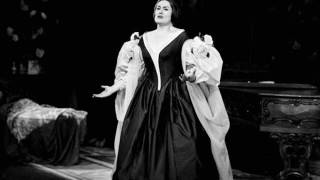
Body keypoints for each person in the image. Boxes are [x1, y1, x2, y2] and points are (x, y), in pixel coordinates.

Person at [92, 0, 233, 179]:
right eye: (157, 8)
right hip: (146, 99)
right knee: (137, 144)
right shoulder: (143, 39)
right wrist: (114, 87)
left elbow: (192, 66)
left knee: (183, 144)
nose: (160, 11)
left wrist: (192, 75)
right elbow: (135, 71)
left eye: (165, 8)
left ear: (172, 13)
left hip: (176, 99)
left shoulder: (183, 38)